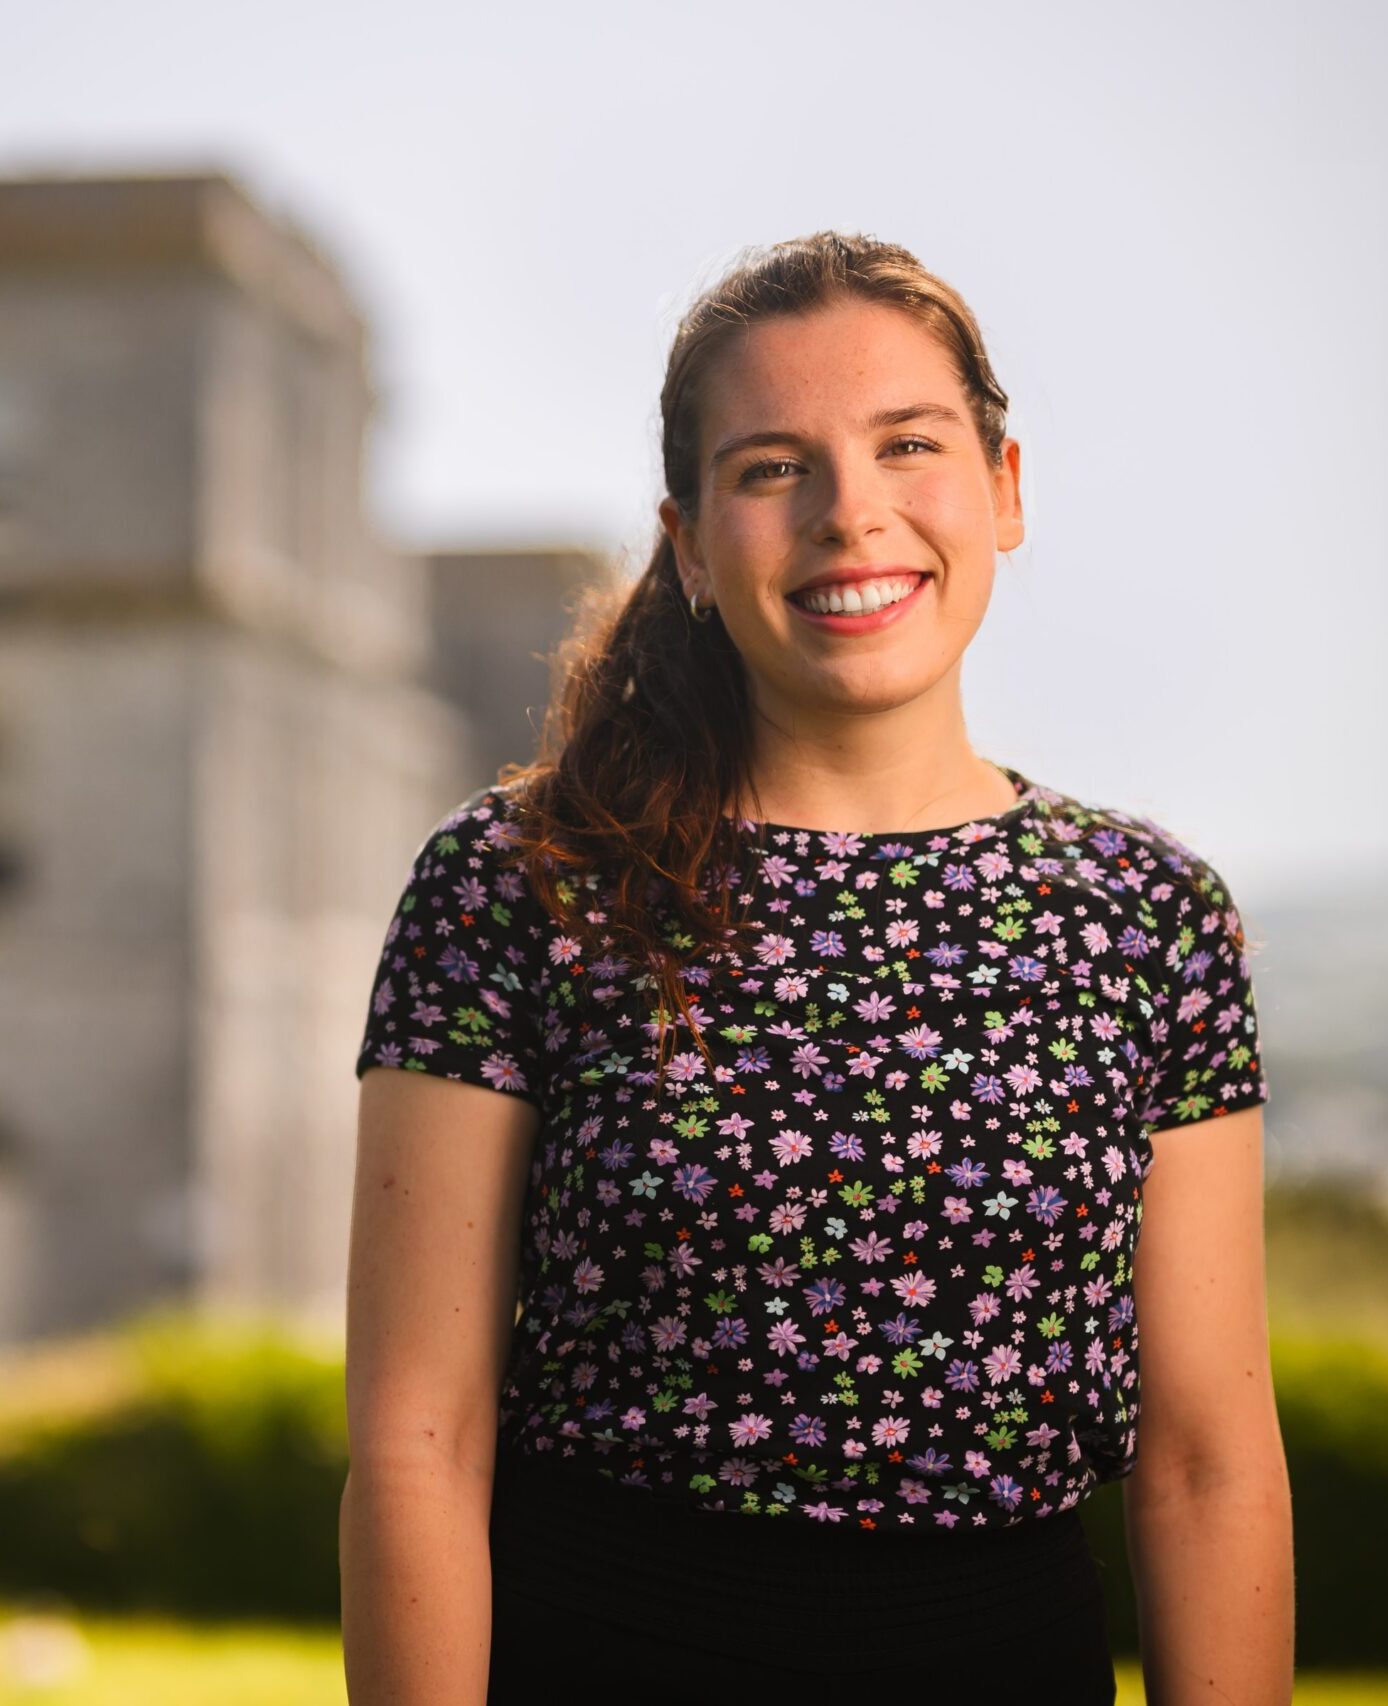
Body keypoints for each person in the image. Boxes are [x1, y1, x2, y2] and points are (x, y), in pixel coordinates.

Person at [338, 231, 1295, 1705]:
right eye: (773, 466)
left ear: (1006, 488)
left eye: (908, 444)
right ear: (690, 540)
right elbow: (419, 1437)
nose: (855, 515)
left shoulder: (1147, 915)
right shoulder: (519, 883)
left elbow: (1206, 1461)